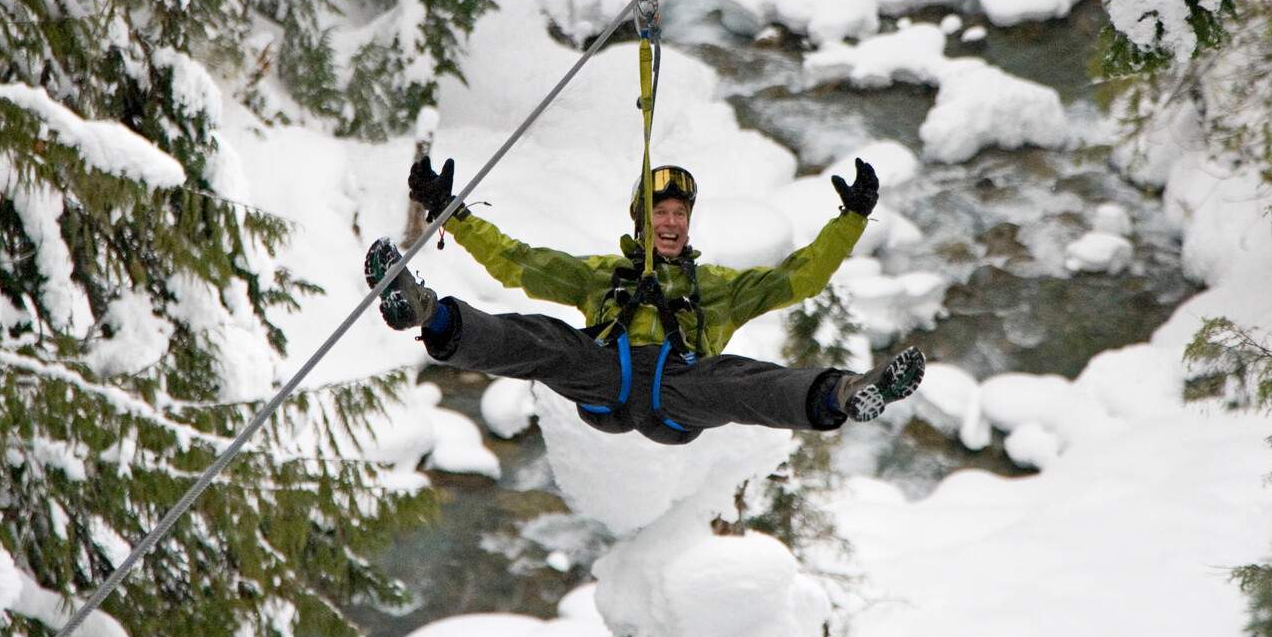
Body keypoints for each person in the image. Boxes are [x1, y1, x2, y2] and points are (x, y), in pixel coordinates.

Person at [364, 156, 925, 445]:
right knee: (546, 342)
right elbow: (518, 262)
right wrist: (452, 214)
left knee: (738, 382)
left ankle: (847, 393)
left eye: (680, 213)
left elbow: (798, 279)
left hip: (678, 394)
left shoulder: (717, 287)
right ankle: (424, 310)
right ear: (642, 218)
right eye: (661, 212)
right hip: (605, 377)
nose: (672, 221)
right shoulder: (605, 277)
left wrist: (851, 221)